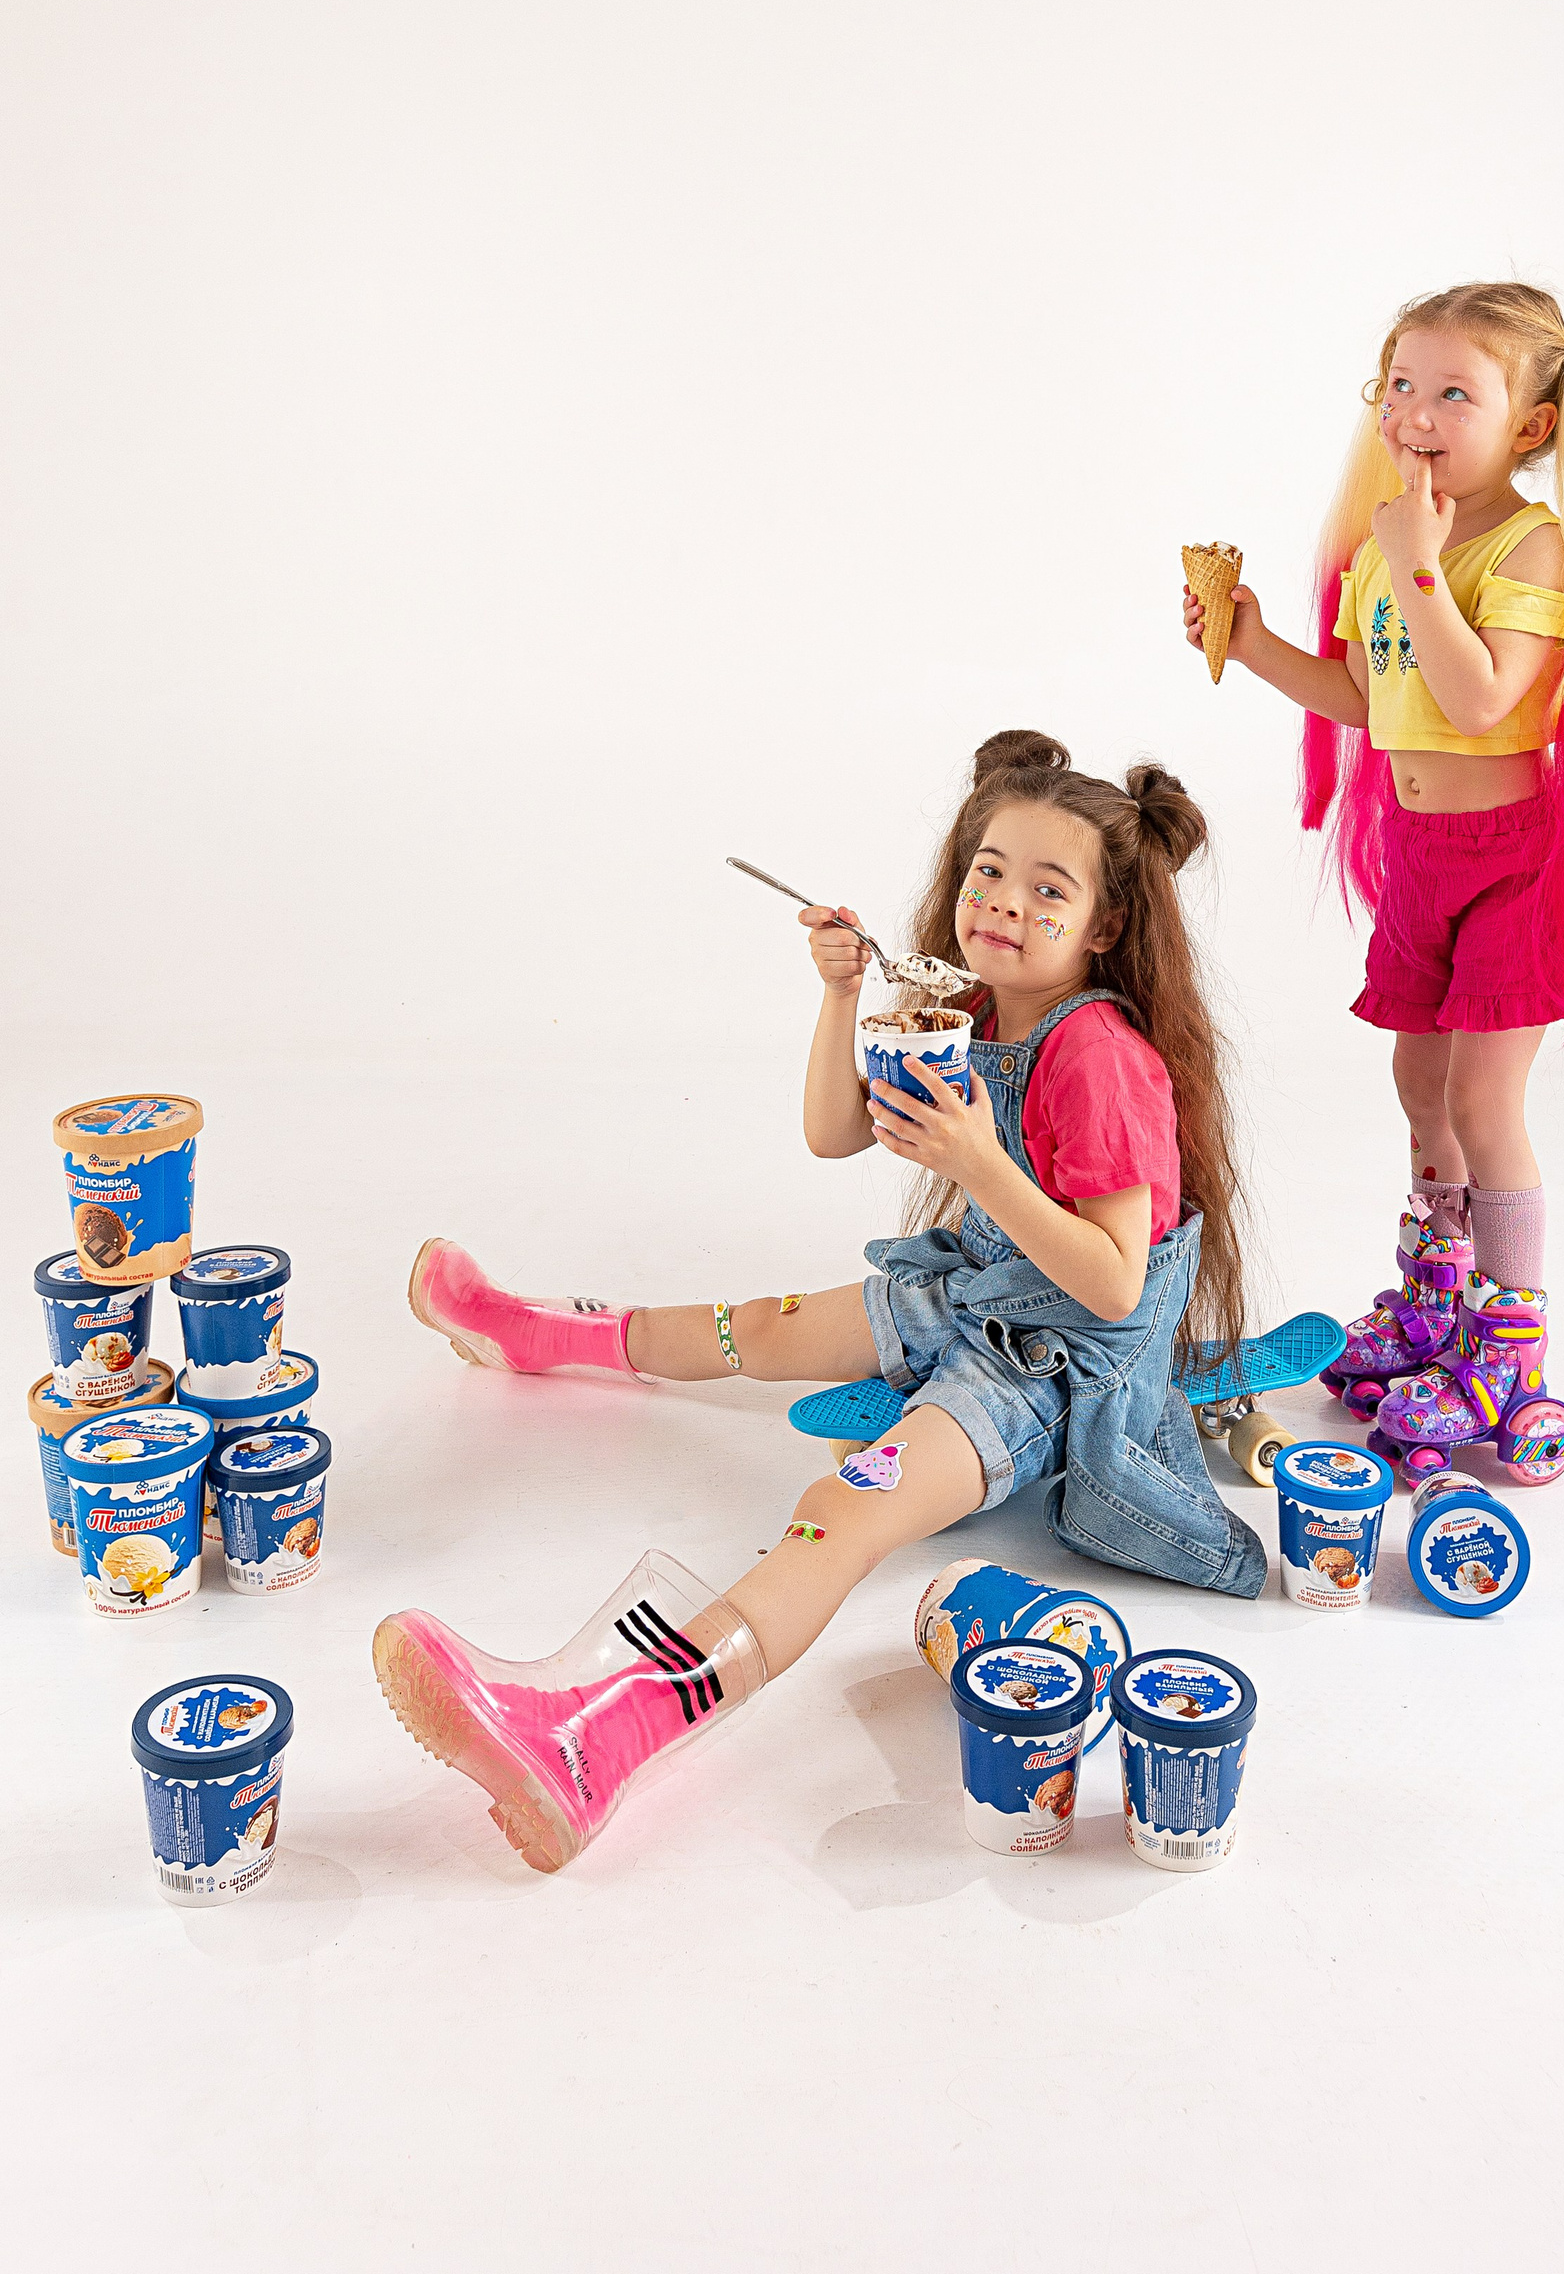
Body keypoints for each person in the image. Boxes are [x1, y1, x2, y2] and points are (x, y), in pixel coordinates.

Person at [372, 728, 1258, 1872]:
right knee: (767, 1325)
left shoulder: (1099, 1057)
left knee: (835, 1512)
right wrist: (840, 997)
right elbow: (834, 1132)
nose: (1004, 901)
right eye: (989, 870)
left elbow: (1114, 1279)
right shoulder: (971, 1010)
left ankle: (600, 1737)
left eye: (1050, 888)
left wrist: (980, 1163)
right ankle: (533, 1331)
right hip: (979, 1288)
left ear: (1105, 926)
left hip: (1051, 1364)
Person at [1183, 280, 1564, 1459]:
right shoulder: (1391, 543)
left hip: (1514, 862)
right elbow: (1368, 696)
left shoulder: (1533, 544)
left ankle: (1511, 1347)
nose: (1414, 413)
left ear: (1531, 425)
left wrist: (1417, 564)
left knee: (1482, 1099)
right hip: (1420, 858)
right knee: (1420, 1077)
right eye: (1400, 385)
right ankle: (1436, 1289)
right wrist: (1252, 642)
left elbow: (1479, 699)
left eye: (1454, 393)